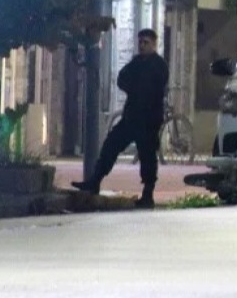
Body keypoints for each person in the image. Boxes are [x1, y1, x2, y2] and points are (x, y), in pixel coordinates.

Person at [72, 29, 169, 208]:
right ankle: (95, 181)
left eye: (146, 42)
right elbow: (123, 78)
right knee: (111, 145)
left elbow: (154, 88)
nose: (142, 46)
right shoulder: (136, 62)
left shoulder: (159, 65)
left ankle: (148, 195)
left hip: (149, 120)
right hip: (131, 117)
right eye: (140, 42)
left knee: (147, 156)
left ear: (154, 44)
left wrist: (139, 89)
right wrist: (134, 88)